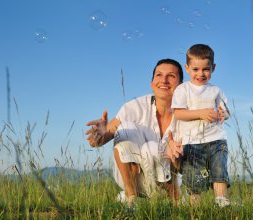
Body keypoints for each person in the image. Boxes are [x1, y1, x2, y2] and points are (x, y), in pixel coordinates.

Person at [86, 59, 184, 206]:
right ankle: (131, 197)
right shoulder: (134, 107)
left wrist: (176, 159)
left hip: (168, 183)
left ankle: (173, 201)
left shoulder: (187, 116)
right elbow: (101, 139)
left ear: (181, 86)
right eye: (158, 75)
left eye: (171, 76)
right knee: (126, 127)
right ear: (152, 83)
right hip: (134, 178)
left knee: (152, 148)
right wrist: (99, 135)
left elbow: (184, 166)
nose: (164, 80)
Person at [171, 44, 231, 207]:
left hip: (216, 139)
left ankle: (221, 202)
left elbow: (226, 112)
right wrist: (200, 113)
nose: (201, 74)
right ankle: (194, 209)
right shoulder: (183, 90)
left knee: (219, 170)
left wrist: (222, 113)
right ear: (187, 68)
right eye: (195, 69)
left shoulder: (216, 90)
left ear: (213, 68)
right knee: (194, 177)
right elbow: (178, 113)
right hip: (192, 142)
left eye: (206, 69)